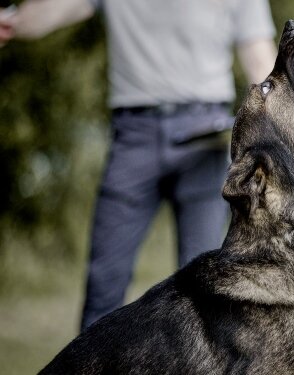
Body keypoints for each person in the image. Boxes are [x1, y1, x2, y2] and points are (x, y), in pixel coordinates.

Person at [0, 0, 277, 330]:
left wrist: (283, 129)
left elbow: (261, 62)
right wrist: (12, 23)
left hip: (207, 137)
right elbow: (59, 6)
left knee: (206, 290)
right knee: (104, 283)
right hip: (134, 135)